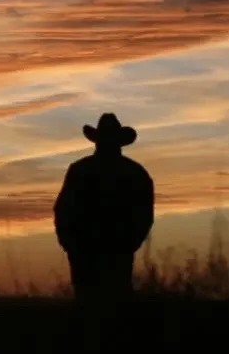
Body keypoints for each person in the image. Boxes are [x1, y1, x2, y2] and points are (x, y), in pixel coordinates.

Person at [54, 113, 155, 303]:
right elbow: (145, 215)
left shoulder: (80, 170)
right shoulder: (135, 173)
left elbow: (62, 210)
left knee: (93, 301)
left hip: (99, 250)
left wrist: (69, 242)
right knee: (113, 300)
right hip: (99, 250)